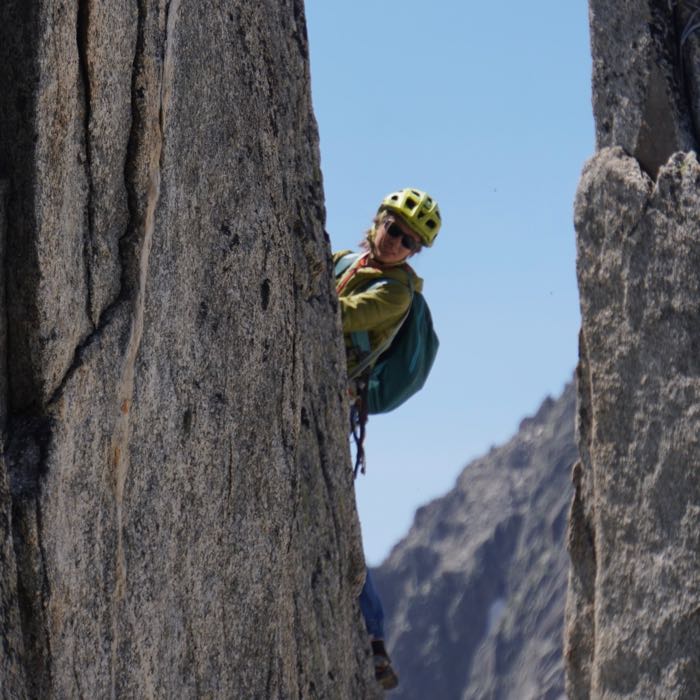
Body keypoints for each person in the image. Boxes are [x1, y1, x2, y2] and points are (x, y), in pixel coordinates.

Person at [333, 188, 442, 690]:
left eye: (409, 243)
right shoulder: (347, 262)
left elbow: (341, 317)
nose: (397, 243)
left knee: (341, 526)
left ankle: (373, 634)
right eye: (394, 229)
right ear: (378, 221)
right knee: (340, 522)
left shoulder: (396, 293)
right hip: (330, 398)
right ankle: (373, 637)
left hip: (336, 404)